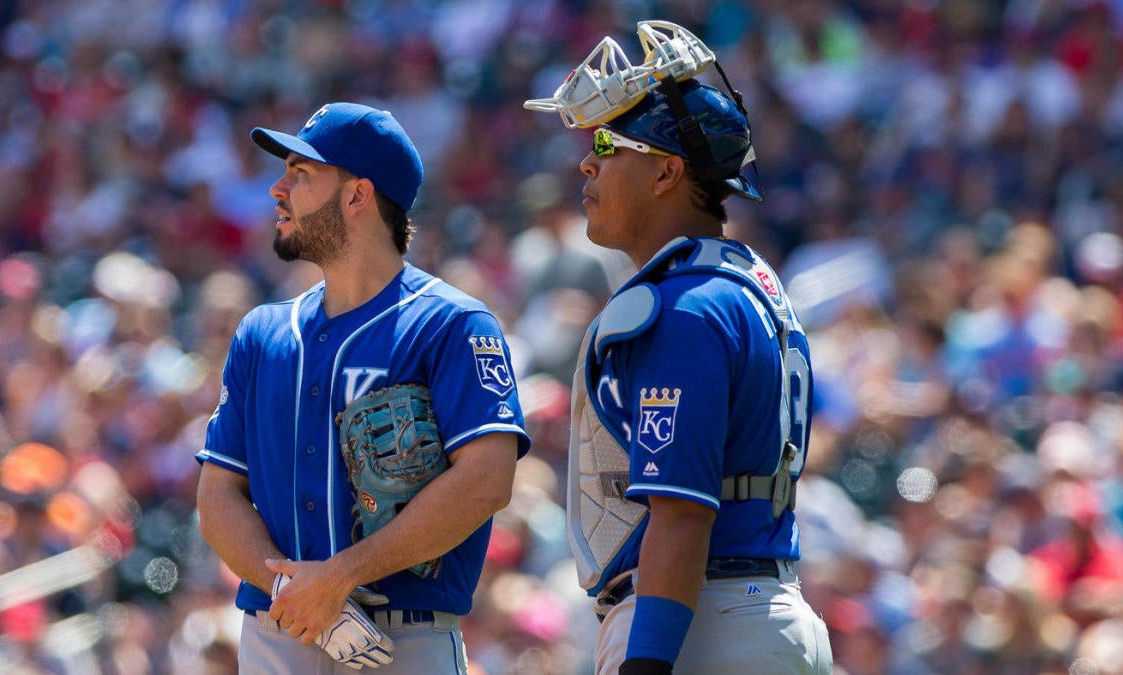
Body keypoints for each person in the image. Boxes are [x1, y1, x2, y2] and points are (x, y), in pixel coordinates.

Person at [525, 21, 832, 674]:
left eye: (609, 143)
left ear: (666, 170)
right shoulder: (745, 282)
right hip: (754, 608)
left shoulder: (683, 306)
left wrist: (647, 662)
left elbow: (682, 513)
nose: (587, 161)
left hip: (702, 621)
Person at [195, 102, 530, 674]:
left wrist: (341, 577)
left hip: (401, 639)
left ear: (357, 197)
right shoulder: (262, 332)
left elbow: (486, 483)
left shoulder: (451, 324)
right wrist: (294, 591)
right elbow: (217, 497)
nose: (277, 189)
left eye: (301, 174)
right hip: (276, 630)